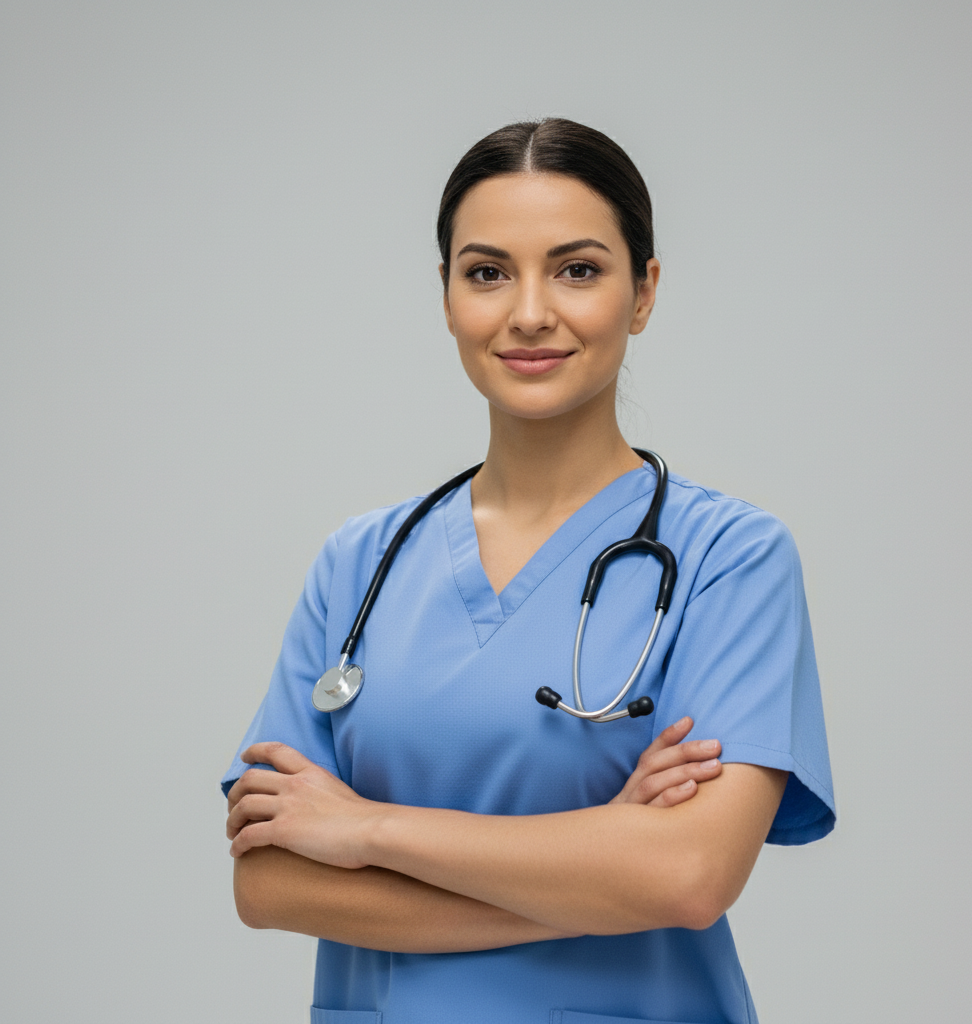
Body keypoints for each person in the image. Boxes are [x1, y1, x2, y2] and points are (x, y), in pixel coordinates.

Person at [222, 118, 835, 1024]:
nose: (530, 313)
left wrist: (366, 829)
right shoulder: (361, 562)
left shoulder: (729, 558)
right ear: (446, 296)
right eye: (488, 273)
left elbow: (688, 875)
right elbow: (270, 883)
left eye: (577, 270)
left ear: (643, 292)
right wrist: (600, 859)